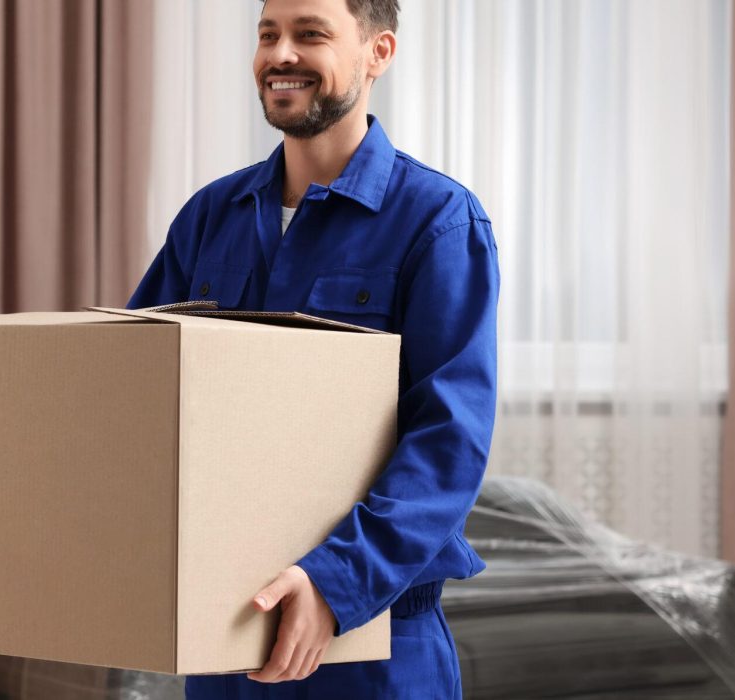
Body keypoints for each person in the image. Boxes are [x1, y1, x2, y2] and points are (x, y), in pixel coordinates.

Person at [128, 0, 497, 696]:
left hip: (372, 638)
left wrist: (333, 583)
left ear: (378, 52)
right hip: (226, 633)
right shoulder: (211, 215)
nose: (280, 54)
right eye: (268, 35)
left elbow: (448, 440)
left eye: (310, 34)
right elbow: (134, 391)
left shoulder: (439, 222)